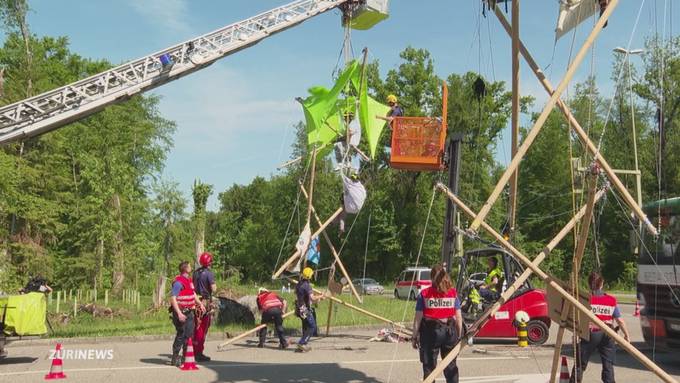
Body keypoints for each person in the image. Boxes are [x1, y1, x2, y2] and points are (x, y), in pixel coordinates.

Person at [571, 272, 630, 383]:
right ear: (602, 284)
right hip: (608, 333)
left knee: (580, 363)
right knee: (608, 364)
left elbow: (578, 319)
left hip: (591, 333)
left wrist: (576, 333)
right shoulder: (611, 300)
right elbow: (620, 321)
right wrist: (626, 335)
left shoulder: (585, 300)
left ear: (589, 284)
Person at [412, 264, 463, 383]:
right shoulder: (452, 293)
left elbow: (418, 318)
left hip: (431, 333)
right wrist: (459, 336)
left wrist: (414, 337)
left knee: (429, 367)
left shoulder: (424, 294)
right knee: (451, 366)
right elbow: (459, 318)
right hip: (450, 332)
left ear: (431, 277)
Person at [169, 261, 205, 367]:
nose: (191, 268)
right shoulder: (178, 282)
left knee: (189, 335)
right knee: (181, 335)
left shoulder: (189, 281)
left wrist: (200, 304)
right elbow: (173, 298)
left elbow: (192, 294)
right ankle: (175, 358)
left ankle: (186, 357)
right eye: (189, 266)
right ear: (185, 269)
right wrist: (179, 313)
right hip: (181, 312)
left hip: (190, 312)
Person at [192, 252, 217, 362]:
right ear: (209, 262)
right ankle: (199, 352)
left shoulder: (195, 273)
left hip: (195, 301)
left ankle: (192, 350)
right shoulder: (209, 273)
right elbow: (214, 288)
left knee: (195, 326)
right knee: (203, 327)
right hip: (205, 302)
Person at [295, 267, 325, 352]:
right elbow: (312, 298)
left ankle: (302, 346)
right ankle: (302, 343)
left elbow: (305, 297)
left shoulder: (299, 284)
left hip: (298, 307)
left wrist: (318, 298)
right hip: (304, 309)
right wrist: (321, 296)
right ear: (309, 276)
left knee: (306, 326)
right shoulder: (307, 286)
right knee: (312, 326)